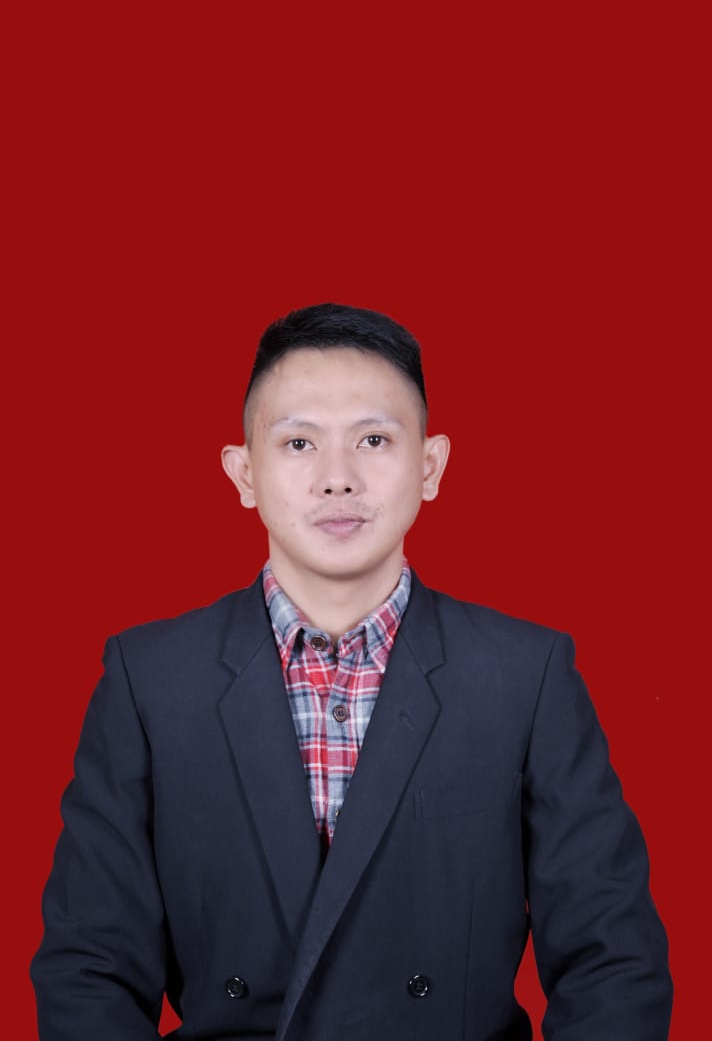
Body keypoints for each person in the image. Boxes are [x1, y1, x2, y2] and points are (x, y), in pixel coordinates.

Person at [31, 303, 672, 1040]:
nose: (337, 479)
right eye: (298, 442)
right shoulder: (151, 681)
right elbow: (90, 968)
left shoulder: (524, 676)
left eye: (373, 439)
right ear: (244, 473)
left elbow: (612, 959)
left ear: (430, 466)